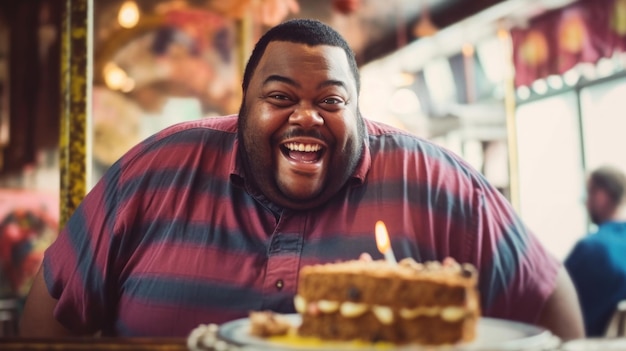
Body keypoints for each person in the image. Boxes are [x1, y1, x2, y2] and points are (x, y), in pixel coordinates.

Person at [20, 19, 584, 339]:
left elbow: (551, 305)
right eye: (280, 97)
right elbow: (45, 320)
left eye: (331, 100)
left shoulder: (438, 182)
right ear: (242, 110)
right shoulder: (155, 172)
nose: (307, 116)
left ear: (360, 112)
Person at [565, 166, 626, 336]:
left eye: (588, 193)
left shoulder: (591, 249)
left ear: (602, 196)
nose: (585, 202)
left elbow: (556, 302)